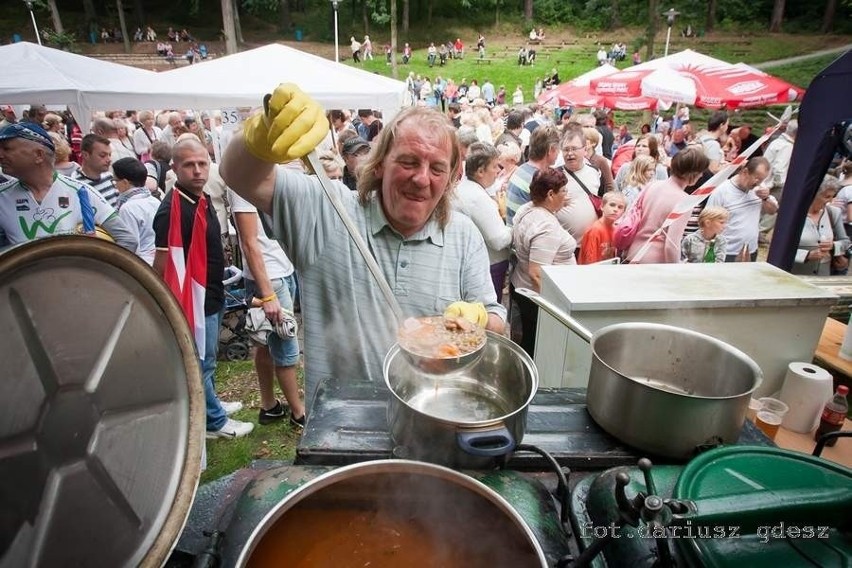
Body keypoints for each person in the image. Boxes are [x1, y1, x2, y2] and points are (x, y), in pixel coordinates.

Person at [220, 86, 506, 409]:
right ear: (380, 163)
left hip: (433, 420)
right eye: (409, 162)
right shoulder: (328, 208)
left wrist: (479, 318)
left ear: (452, 176)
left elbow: (497, 323)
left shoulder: (465, 236)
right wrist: (262, 134)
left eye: (437, 168)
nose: (422, 179)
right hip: (341, 426)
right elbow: (237, 174)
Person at [153, 138, 254, 439]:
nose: (197, 171)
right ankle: (213, 421)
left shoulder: (202, 196)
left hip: (213, 290)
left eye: (202, 163)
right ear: (174, 168)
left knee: (207, 360)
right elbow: (163, 263)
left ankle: (212, 404)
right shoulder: (171, 211)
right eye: (189, 165)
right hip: (195, 300)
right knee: (201, 363)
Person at [228, 187, 306, 429]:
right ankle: (299, 415)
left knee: (266, 344)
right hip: (270, 278)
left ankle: (269, 407)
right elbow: (249, 243)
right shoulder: (243, 186)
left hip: (282, 270)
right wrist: (268, 294)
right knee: (286, 348)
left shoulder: (264, 178)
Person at [0, 123, 136, 250]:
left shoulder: (80, 192)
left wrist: (94, 272)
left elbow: (127, 240)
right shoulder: (2, 197)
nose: (1, 155)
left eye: (6, 149)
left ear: (38, 155)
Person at [510, 167, 576, 356]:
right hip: (536, 298)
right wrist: (555, 310)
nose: (566, 196)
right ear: (550, 194)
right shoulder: (545, 226)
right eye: (563, 191)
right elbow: (536, 273)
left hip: (521, 286)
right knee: (535, 347)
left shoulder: (528, 207)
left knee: (528, 340)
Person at [624, 147, 710, 264]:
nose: (701, 176)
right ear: (692, 173)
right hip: (655, 262)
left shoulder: (652, 185)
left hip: (633, 253)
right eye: (701, 172)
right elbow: (671, 245)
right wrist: (674, 271)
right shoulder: (684, 201)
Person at [452, 142, 512, 303]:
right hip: (489, 266)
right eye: (494, 166)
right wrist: (514, 228)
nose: (498, 171)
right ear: (480, 171)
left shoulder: (464, 189)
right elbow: (498, 240)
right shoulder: (477, 198)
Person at [706, 157, 776, 262]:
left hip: (750, 250)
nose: (758, 183)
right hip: (726, 251)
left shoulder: (760, 189)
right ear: (745, 172)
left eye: (762, 180)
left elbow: (772, 211)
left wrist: (766, 198)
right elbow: (708, 221)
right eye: (757, 178)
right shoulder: (722, 191)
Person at [791, 175, 850, 276]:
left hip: (823, 274)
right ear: (813, 195)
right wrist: (807, 255)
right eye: (827, 197)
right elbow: (781, 249)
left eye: (833, 196)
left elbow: (845, 242)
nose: (830, 201)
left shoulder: (833, 213)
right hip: (796, 274)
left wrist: (833, 246)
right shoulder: (793, 215)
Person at [506, 124, 562, 225]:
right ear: (550, 150)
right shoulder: (539, 179)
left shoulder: (521, 170)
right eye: (558, 149)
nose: (559, 153)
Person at [112, 157, 160, 265]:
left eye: (115, 180)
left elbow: (131, 246)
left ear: (125, 182)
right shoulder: (154, 201)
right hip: (158, 260)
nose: (115, 184)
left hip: (143, 265)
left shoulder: (127, 208)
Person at [71, 134, 121, 207]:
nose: (109, 160)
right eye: (102, 155)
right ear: (85, 155)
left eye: (109, 155)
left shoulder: (109, 176)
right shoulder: (75, 184)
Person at [578, 191, 626, 264]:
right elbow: (590, 262)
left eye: (620, 207)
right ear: (602, 206)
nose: (616, 209)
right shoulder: (595, 230)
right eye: (612, 205)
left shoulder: (616, 229)